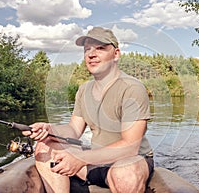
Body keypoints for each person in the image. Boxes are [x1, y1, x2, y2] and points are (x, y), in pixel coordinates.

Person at [23, 27, 154, 193]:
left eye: (100, 48)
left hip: (130, 160)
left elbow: (130, 146)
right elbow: (73, 129)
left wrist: (80, 158)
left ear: (116, 54)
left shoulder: (132, 88)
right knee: (45, 145)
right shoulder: (84, 90)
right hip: (96, 159)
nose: (91, 54)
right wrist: (49, 129)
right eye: (87, 49)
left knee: (123, 174)